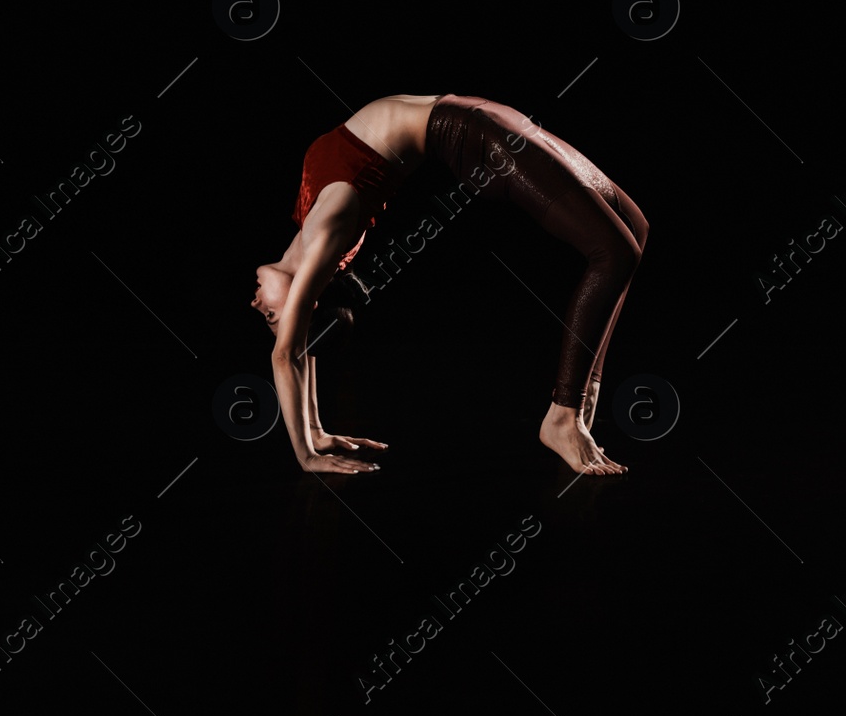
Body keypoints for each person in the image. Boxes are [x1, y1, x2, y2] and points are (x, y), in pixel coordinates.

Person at [251, 94, 648, 476]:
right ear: (311, 298)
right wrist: (305, 453)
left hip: (481, 115)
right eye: (270, 315)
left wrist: (314, 433)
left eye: (270, 316)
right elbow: (290, 354)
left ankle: (582, 395)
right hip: (476, 137)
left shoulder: (315, 230)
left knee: (635, 229)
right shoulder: (329, 233)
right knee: (615, 252)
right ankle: (566, 412)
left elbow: (301, 347)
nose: (256, 306)